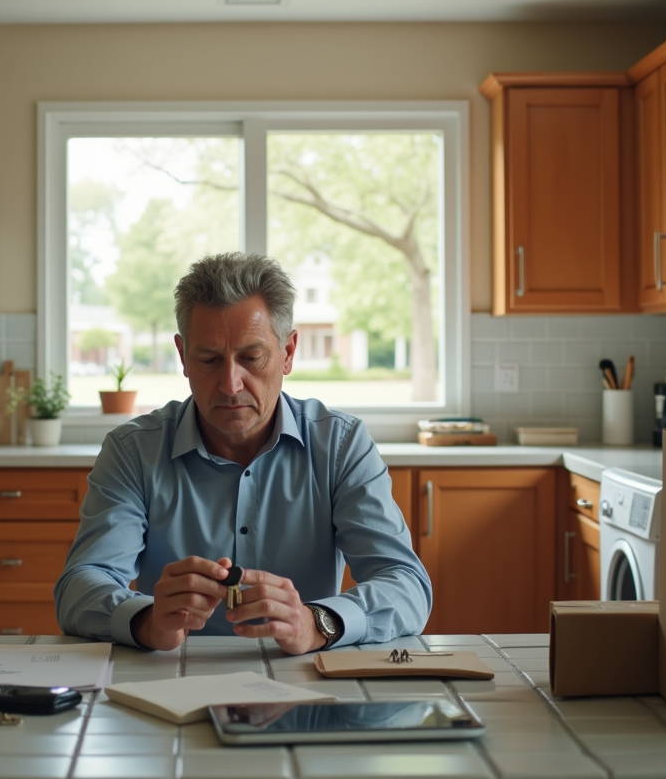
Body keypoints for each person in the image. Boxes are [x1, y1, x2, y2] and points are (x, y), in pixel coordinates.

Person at [54, 252, 432, 654]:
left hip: (306, 688)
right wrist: (145, 620)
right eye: (209, 360)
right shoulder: (133, 451)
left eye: (252, 358)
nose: (231, 384)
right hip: (168, 689)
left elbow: (405, 584)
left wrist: (317, 622)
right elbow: (80, 585)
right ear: (183, 357)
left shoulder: (340, 446)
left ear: (288, 352)